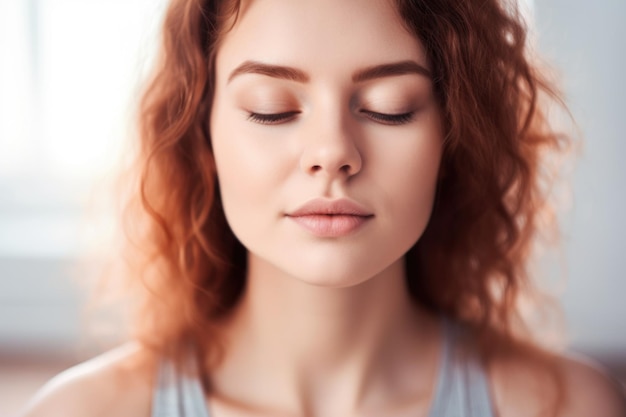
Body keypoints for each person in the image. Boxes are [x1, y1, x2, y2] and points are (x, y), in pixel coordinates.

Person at [21, 0, 625, 416]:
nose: (333, 153)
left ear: (452, 136)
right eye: (272, 108)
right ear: (201, 136)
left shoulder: (566, 407)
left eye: (391, 106)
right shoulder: (81, 411)